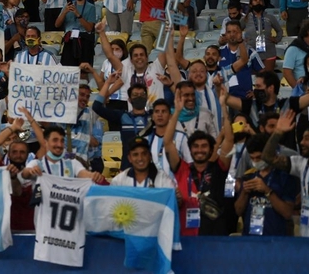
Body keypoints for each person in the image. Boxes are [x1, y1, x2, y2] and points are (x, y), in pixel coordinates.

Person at [165, 86, 234, 236]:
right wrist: (176, 111)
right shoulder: (183, 169)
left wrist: (223, 106)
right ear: (190, 150)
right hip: (188, 233)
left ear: (211, 150)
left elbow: (229, 140)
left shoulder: (219, 168)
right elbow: (168, 143)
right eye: (195, 147)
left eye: (204, 146)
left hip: (215, 233)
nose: (200, 150)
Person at [234, 133, 297, 236]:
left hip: (276, 240)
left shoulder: (284, 176)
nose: (255, 161)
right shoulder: (248, 176)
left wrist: (267, 191)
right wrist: (244, 192)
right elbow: (238, 211)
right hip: (250, 239)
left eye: (258, 158)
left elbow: (287, 213)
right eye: (252, 158)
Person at [20, 125, 104, 183]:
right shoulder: (37, 164)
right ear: (45, 142)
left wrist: (93, 175)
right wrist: (30, 171)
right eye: (55, 140)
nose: (59, 145)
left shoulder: (72, 164)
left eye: (62, 141)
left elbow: (84, 174)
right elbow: (25, 174)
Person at [219, 20, 265, 99]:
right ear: (225, 34)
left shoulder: (251, 52)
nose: (232, 34)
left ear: (241, 33)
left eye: (235, 32)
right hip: (224, 98)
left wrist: (256, 91)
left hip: (244, 98)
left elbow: (264, 73)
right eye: (229, 32)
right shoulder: (219, 52)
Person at [56, 0, 96, 67]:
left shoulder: (91, 7)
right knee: (67, 68)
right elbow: (57, 24)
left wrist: (78, 14)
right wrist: (64, 12)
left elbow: (89, 28)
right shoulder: (67, 5)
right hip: (69, 40)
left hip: (84, 39)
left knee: (84, 69)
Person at [111, 136, 176, 188]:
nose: (140, 158)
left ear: (150, 156)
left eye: (144, 154)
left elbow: (171, 201)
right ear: (129, 158)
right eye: (135, 154)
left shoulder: (163, 180)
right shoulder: (119, 181)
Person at [241, 0, 283, 71]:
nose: (258, 1)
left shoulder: (270, 17)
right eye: (255, 0)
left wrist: (277, 39)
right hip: (252, 52)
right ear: (251, 4)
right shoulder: (245, 18)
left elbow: (280, 31)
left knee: (267, 78)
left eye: (260, 0)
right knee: (254, 79)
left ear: (263, 4)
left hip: (269, 51)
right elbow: (237, 30)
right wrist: (242, 41)